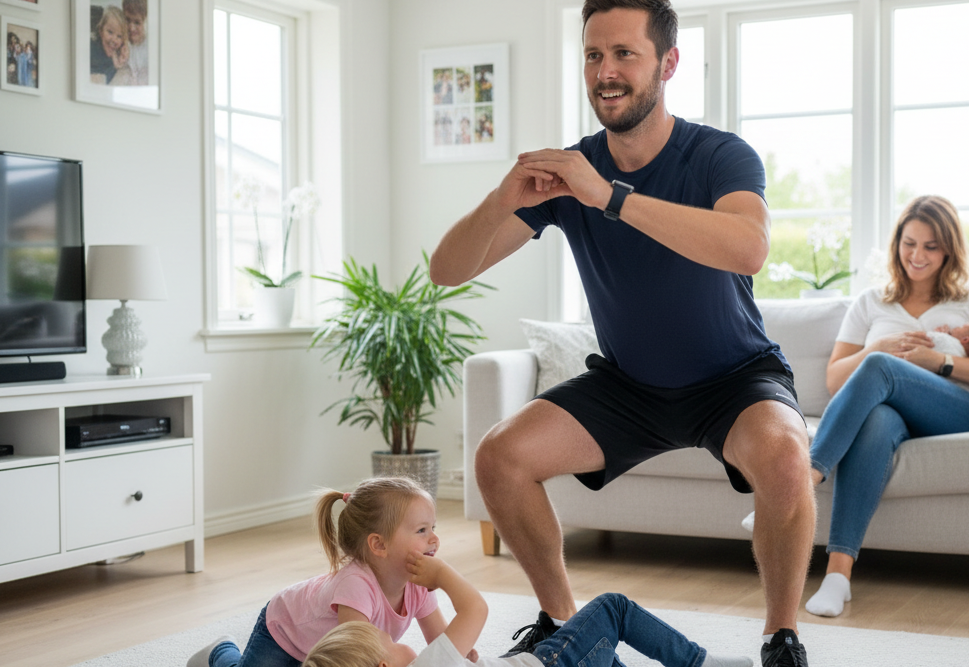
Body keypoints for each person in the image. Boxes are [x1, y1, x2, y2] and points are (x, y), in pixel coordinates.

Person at [429, 1, 814, 666]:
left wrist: (609, 195)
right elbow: (445, 271)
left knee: (786, 457)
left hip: (734, 378)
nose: (605, 72)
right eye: (592, 55)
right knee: (498, 459)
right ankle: (561, 619)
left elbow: (749, 247)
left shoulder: (718, 154)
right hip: (630, 383)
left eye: (623, 54)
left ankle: (781, 637)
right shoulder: (566, 170)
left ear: (667, 63)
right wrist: (503, 197)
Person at [802, 195, 969, 618]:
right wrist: (877, 346)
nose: (917, 255)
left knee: (881, 366)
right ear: (896, 244)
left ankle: (798, 487)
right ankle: (837, 576)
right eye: (909, 243)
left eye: (931, 246)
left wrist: (940, 361)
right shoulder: (870, 302)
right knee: (877, 419)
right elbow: (834, 379)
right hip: (895, 415)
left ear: (949, 250)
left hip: (959, 413)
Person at [303, 551, 753, 667]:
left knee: (600, 650)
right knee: (612, 608)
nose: (397, 637)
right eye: (388, 638)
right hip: (549, 662)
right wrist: (441, 576)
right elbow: (474, 609)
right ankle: (697, 661)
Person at [187, 477, 458, 667]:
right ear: (379, 544)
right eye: (422, 530)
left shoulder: (417, 582)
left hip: (323, 653)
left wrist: (463, 654)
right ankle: (220, 652)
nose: (433, 539)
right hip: (285, 631)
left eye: (434, 528)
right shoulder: (357, 585)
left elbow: (442, 643)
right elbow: (356, 656)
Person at [90, 5, 130, 85]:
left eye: (119, 36)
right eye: (110, 32)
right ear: (101, 31)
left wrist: (118, 63)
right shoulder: (92, 47)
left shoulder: (118, 53)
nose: (114, 40)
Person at [123, 0, 149, 85]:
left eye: (137, 22)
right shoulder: (121, 43)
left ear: (145, 20)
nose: (131, 28)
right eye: (127, 20)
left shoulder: (150, 47)